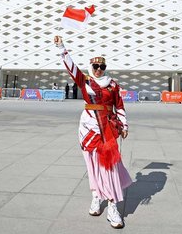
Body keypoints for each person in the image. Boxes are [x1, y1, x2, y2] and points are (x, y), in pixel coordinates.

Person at [54, 35, 132, 228]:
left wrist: (124, 125)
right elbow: (71, 68)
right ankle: (96, 196)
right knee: (92, 165)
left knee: (111, 167)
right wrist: (61, 47)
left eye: (102, 68)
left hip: (108, 129)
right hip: (88, 129)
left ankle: (113, 206)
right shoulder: (85, 81)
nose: (98, 70)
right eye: (96, 67)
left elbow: (119, 106)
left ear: (105, 68)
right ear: (91, 67)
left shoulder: (113, 85)